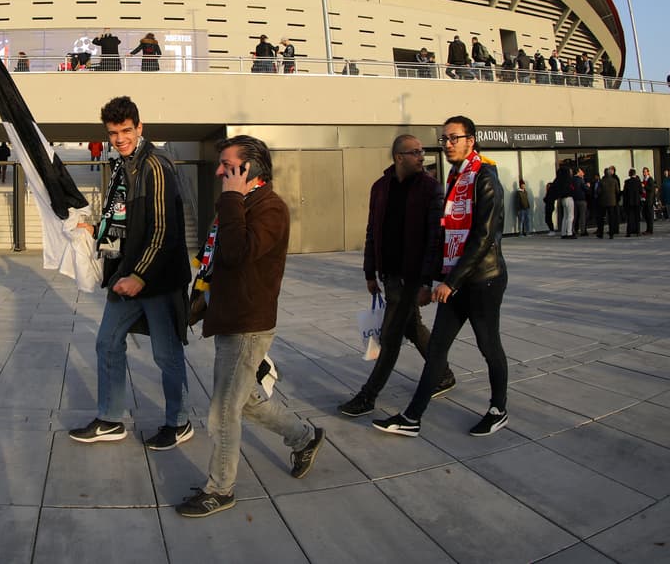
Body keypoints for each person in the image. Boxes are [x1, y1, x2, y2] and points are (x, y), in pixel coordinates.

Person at [175, 135, 324, 518]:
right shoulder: (242, 202)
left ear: (250, 168)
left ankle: (220, 489)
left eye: (227, 164)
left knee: (223, 411)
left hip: (247, 323)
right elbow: (218, 254)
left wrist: (231, 199)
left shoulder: (269, 208)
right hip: (230, 316)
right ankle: (304, 438)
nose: (220, 170)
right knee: (247, 399)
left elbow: (239, 252)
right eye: (221, 164)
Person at [375, 115, 509, 438]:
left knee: (488, 344)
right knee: (436, 349)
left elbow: (483, 236)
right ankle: (412, 416)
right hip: (455, 281)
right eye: (444, 139)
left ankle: (498, 408)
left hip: (482, 280)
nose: (447, 144)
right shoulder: (455, 176)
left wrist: (451, 281)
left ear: (470, 140)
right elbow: (447, 233)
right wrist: (432, 281)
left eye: (453, 138)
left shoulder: (484, 177)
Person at [70, 96, 191, 451]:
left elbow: (163, 230)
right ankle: (110, 419)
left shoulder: (155, 166)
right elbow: (124, 217)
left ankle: (179, 422)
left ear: (140, 128)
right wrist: (97, 230)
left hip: (158, 278)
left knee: (166, 355)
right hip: (129, 275)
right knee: (107, 342)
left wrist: (140, 276)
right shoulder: (124, 166)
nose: (120, 138)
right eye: (113, 132)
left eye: (126, 131)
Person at [338, 134, 455, 418]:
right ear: (399, 157)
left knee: (390, 337)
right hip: (389, 274)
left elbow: (435, 238)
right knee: (412, 328)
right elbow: (371, 232)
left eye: (421, 151)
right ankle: (444, 374)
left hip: (413, 276)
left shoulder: (431, 188)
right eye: (415, 152)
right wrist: (369, 272)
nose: (421, 156)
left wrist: (427, 282)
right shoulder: (380, 188)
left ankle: (368, 396)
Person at [551, 163, 575, 239]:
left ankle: (563, 232)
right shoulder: (568, 180)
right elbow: (572, 189)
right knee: (570, 216)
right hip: (569, 198)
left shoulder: (559, 180)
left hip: (563, 199)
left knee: (565, 216)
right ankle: (569, 233)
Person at [597, 166, 621, 239]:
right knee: (611, 218)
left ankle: (600, 233)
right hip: (612, 202)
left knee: (602, 218)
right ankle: (611, 233)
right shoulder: (614, 181)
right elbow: (617, 191)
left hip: (603, 202)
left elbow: (598, 191)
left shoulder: (601, 181)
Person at [622, 169, 642, 237]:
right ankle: (638, 232)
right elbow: (641, 191)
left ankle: (628, 232)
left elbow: (624, 193)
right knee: (637, 217)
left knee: (630, 218)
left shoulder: (627, 182)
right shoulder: (638, 181)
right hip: (636, 201)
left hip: (629, 202)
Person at [641, 167, 656, 235]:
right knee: (646, 215)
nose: (644, 173)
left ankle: (650, 230)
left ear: (648, 172)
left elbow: (651, 189)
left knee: (649, 215)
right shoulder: (644, 179)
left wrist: (644, 186)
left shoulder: (650, 179)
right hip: (644, 199)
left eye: (645, 172)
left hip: (649, 200)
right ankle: (648, 229)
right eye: (643, 172)